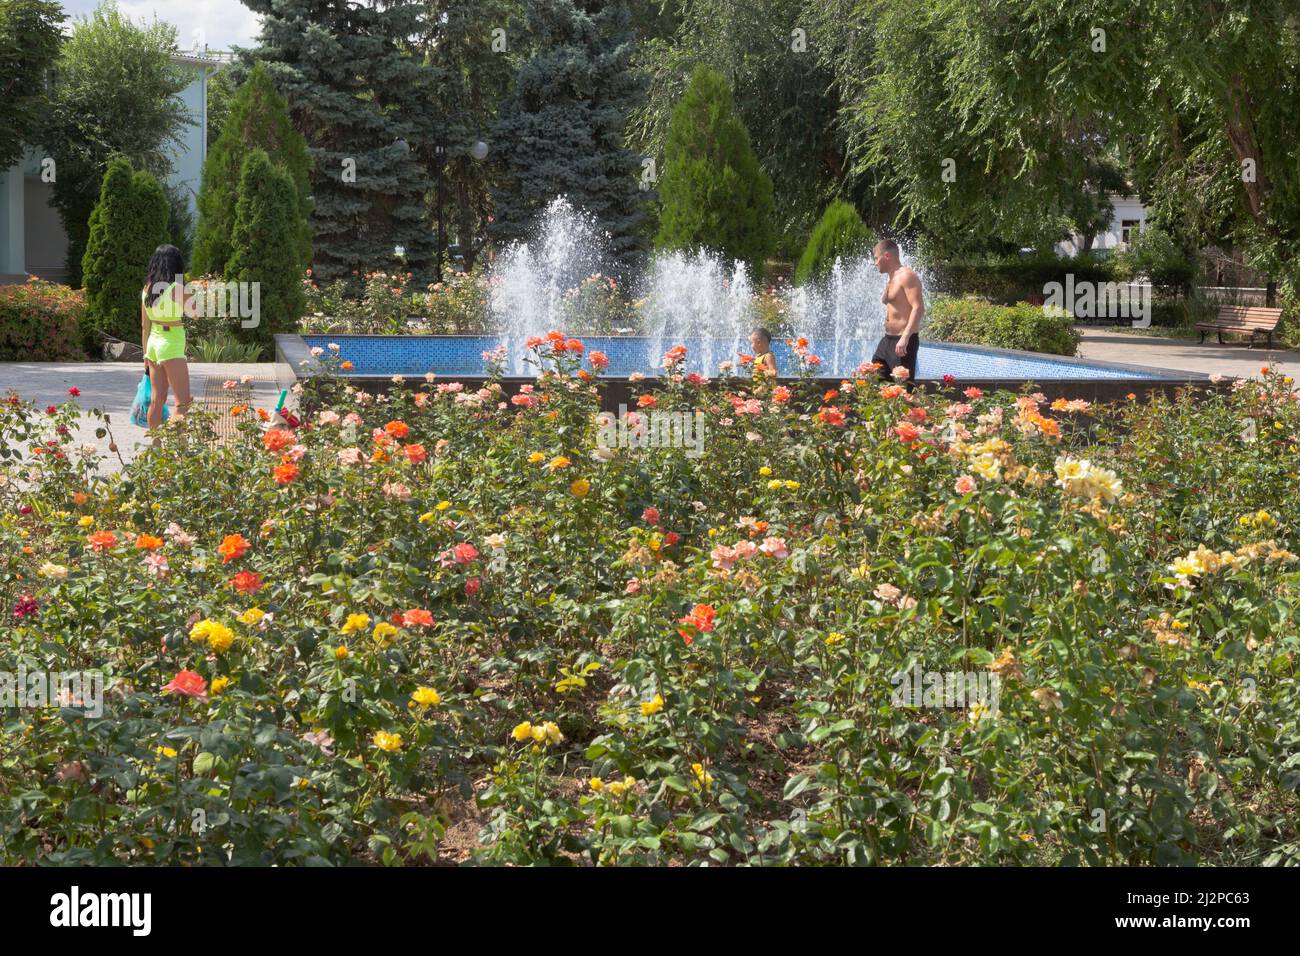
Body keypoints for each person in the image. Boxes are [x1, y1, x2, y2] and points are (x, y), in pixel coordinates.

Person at [140, 244, 193, 442]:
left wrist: (145, 355)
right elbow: (195, 314)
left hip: (153, 343)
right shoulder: (176, 288)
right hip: (171, 343)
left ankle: (156, 447)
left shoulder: (147, 289)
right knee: (183, 402)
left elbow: (145, 326)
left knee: (157, 399)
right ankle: (177, 446)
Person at [870, 239, 924, 387]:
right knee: (875, 380)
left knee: (903, 392)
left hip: (903, 342)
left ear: (886, 256)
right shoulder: (891, 278)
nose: (875, 263)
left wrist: (905, 338)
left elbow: (918, 308)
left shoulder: (907, 276)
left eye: (876, 258)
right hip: (887, 340)